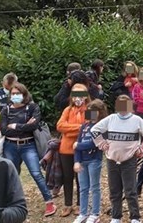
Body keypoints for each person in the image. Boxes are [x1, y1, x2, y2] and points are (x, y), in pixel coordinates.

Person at [0, 82, 57, 217]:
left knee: (36, 173)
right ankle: (10, 201)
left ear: (24, 94)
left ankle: (49, 201)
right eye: (13, 94)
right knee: (11, 174)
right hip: (10, 146)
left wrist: (15, 126)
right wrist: (24, 125)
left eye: (18, 93)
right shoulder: (5, 110)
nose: (15, 96)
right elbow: (4, 130)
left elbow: (34, 126)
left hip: (28, 145)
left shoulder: (32, 107)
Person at [92, 95, 143, 223]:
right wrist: (101, 144)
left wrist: (142, 149)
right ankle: (116, 216)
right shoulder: (111, 119)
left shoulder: (136, 120)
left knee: (130, 190)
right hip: (112, 159)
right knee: (114, 190)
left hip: (129, 160)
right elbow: (94, 130)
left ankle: (135, 217)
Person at [56, 83, 90, 217]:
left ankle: (80, 204)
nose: (78, 98)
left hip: (82, 149)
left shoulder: (90, 109)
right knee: (67, 177)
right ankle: (67, 204)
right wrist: (78, 128)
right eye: (75, 94)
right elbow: (59, 126)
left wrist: (69, 129)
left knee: (81, 178)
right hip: (66, 149)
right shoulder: (67, 110)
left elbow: (88, 128)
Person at [73, 99, 108, 223]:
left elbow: (95, 144)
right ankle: (83, 213)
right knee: (83, 188)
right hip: (82, 161)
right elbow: (78, 143)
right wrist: (76, 161)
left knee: (94, 187)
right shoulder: (84, 126)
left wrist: (78, 145)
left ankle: (95, 213)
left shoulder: (101, 127)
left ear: (100, 112)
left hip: (94, 160)